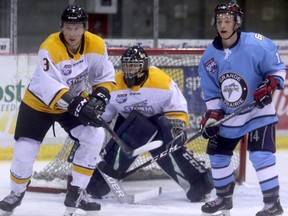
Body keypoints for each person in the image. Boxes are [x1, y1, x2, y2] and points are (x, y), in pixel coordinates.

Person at [0, 4, 115, 216]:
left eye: (77, 28)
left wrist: (99, 96)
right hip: (39, 104)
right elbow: (50, 86)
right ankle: (16, 193)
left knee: (94, 135)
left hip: (72, 102)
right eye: (68, 28)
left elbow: (104, 77)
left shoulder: (96, 44)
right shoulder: (49, 47)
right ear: (61, 27)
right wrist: (79, 104)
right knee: (25, 150)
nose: (72, 33)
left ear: (85, 27)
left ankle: (77, 192)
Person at [85, 45, 214, 202]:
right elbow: (105, 117)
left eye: (134, 65)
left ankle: (198, 182)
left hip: (158, 124)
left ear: (144, 66)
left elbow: (178, 108)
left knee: (168, 146)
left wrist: (175, 128)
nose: (130, 69)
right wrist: (92, 121)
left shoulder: (161, 81)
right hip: (129, 126)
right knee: (100, 181)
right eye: (127, 65)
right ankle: (97, 184)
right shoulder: (114, 84)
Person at [197, 2, 286, 216]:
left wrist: (270, 84)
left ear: (237, 22)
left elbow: (278, 69)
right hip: (230, 117)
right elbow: (212, 93)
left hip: (258, 113)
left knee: (261, 155)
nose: (223, 25)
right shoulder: (209, 57)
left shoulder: (257, 44)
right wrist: (213, 116)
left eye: (227, 20)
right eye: (219, 21)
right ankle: (223, 198)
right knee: (217, 155)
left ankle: (272, 204)